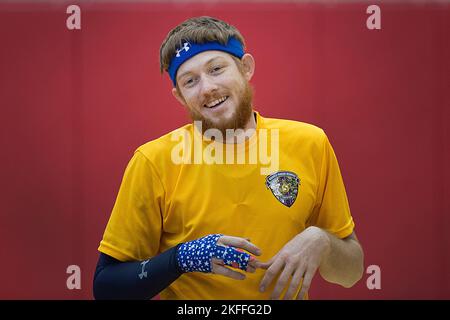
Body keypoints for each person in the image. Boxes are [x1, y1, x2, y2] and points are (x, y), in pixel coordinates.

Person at [93, 16, 364, 300]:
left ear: (246, 68)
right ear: (180, 96)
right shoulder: (153, 161)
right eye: (190, 81)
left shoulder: (311, 143)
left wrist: (322, 242)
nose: (207, 87)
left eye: (217, 69)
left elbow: (351, 273)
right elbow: (106, 288)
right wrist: (180, 258)